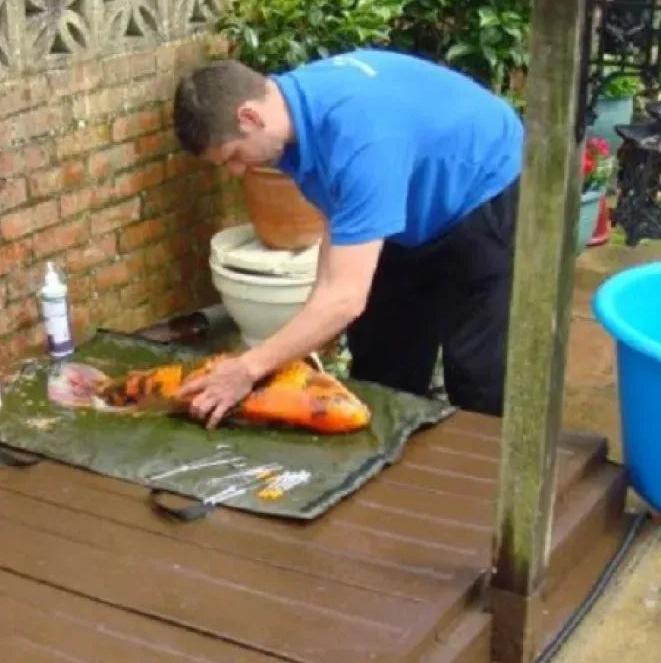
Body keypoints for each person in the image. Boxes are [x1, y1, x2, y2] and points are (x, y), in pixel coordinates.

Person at [173, 49, 523, 429]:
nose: (238, 171)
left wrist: (248, 367)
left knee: (477, 373)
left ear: (250, 117)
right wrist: (298, 344)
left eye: (232, 156)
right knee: (381, 359)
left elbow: (344, 298)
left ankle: (481, 477)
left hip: (483, 190)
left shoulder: (359, 137)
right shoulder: (292, 126)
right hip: (404, 194)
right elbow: (338, 233)